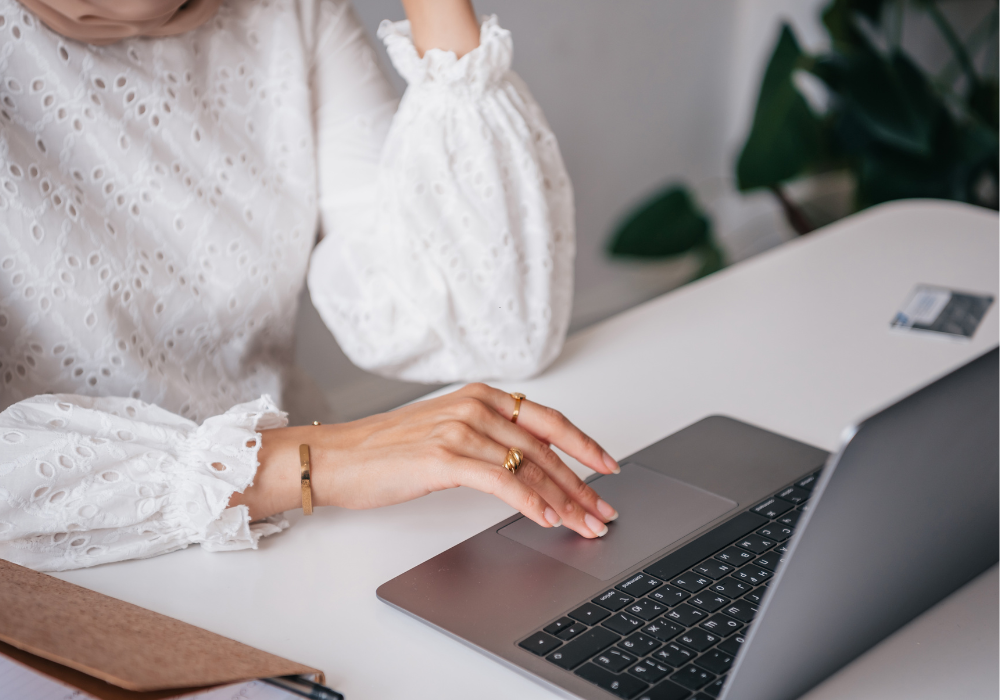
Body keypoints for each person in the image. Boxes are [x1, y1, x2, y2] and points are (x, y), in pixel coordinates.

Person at [0, 0, 620, 572]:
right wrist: (319, 461)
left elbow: (498, 331)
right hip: (75, 585)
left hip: (295, 537)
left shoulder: (289, 12)